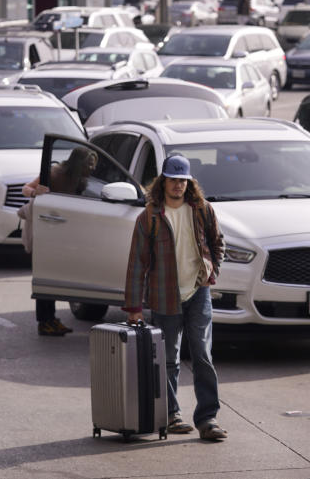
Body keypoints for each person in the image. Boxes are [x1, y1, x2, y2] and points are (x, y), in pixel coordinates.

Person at [123, 154, 228, 441]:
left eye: (183, 180)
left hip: (198, 293)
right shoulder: (149, 217)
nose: (178, 185)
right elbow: (137, 264)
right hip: (165, 297)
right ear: (163, 182)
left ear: (189, 182)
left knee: (203, 357)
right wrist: (133, 307)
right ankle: (172, 415)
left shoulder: (201, 210)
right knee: (169, 359)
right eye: (173, 180)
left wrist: (211, 270)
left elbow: (217, 242)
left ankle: (207, 419)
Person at [21, 146, 98, 336]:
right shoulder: (54, 173)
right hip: (47, 229)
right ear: (78, 163)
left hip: (63, 231)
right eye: (89, 164)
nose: (91, 169)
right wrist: (36, 193)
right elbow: (26, 188)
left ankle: (51, 319)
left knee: (56, 275)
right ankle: (44, 321)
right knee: (46, 274)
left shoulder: (80, 179)